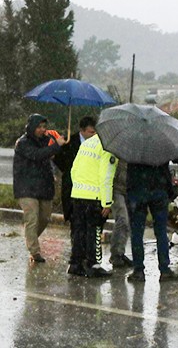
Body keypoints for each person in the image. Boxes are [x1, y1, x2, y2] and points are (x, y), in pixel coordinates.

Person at [13, 114, 66, 263]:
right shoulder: (22, 143)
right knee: (32, 217)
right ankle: (35, 252)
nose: (42, 130)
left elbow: (52, 157)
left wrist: (60, 143)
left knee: (44, 218)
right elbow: (37, 155)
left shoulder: (47, 141)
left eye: (44, 127)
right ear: (31, 127)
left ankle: (30, 239)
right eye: (39, 127)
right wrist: (56, 146)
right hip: (26, 187)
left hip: (43, 187)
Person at [68, 133, 117, 278]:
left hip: (78, 195)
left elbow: (73, 170)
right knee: (94, 232)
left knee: (79, 232)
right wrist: (107, 203)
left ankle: (75, 264)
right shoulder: (108, 148)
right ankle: (93, 265)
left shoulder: (87, 143)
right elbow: (106, 177)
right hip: (94, 197)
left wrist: (78, 188)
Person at [126, 162, 178, 282]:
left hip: (137, 195)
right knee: (161, 232)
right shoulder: (159, 150)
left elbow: (129, 178)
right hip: (158, 193)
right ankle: (164, 269)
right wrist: (170, 193)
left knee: (137, 233)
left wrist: (130, 194)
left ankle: (138, 270)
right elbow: (166, 175)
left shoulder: (133, 152)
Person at [53, 116, 97, 223]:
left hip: (89, 190)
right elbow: (59, 161)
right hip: (72, 187)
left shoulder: (98, 144)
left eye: (95, 132)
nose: (94, 135)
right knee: (75, 222)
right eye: (91, 132)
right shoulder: (69, 142)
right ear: (82, 130)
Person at [109, 159, 133, 268]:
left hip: (127, 189)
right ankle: (116, 254)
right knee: (123, 219)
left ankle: (119, 252)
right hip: (116, 189)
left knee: (126, 222)